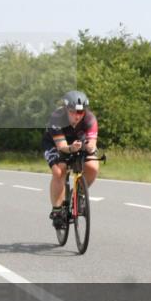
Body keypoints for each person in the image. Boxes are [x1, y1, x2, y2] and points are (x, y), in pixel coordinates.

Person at [43, 90, 99, 228]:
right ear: (66, 109)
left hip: (77, 143)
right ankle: (57, 210)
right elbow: (62, 147)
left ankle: (79, 194)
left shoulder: (90, 119)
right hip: (55, 144)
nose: (77, 116)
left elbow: (92, 143)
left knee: (93, 166)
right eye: (73, 112)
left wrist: (89, 147)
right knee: (59, 171)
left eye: (80, 112)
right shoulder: (57, 117)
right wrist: (71, 148)